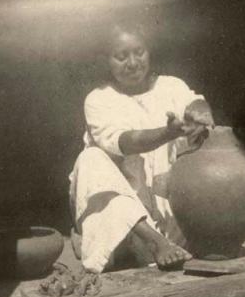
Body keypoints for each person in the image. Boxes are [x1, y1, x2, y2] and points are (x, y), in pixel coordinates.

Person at [69, 23, 215, 273]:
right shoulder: (99, 99)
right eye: (121, 56)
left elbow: (195, 104)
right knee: (90, 159)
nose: (133, 63)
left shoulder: (172, 87)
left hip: (169, 216)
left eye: (139, 52)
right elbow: (126, 142)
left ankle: (165, 244)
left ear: (149, 52)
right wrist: (168, 133)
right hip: (119, 224)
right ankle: (154, 242)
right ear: (106, 61)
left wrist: (200, 113)